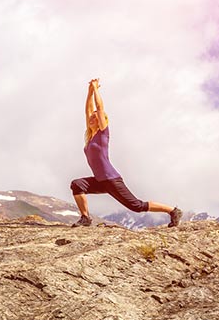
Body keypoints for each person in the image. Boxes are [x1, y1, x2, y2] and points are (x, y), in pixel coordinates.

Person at [70, 78, 182, 228]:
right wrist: (89, 92)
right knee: (77, 185)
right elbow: (88, 110)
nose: (91, 117)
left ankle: (173, 211)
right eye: (91, 117)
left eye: (95, 117)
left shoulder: (103, 133)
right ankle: (85, 218)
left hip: (111, 179)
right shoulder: (90, 136)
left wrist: (96, 89)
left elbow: (99, 107)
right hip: (100, 180)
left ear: (102, 120)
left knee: (136, 206)